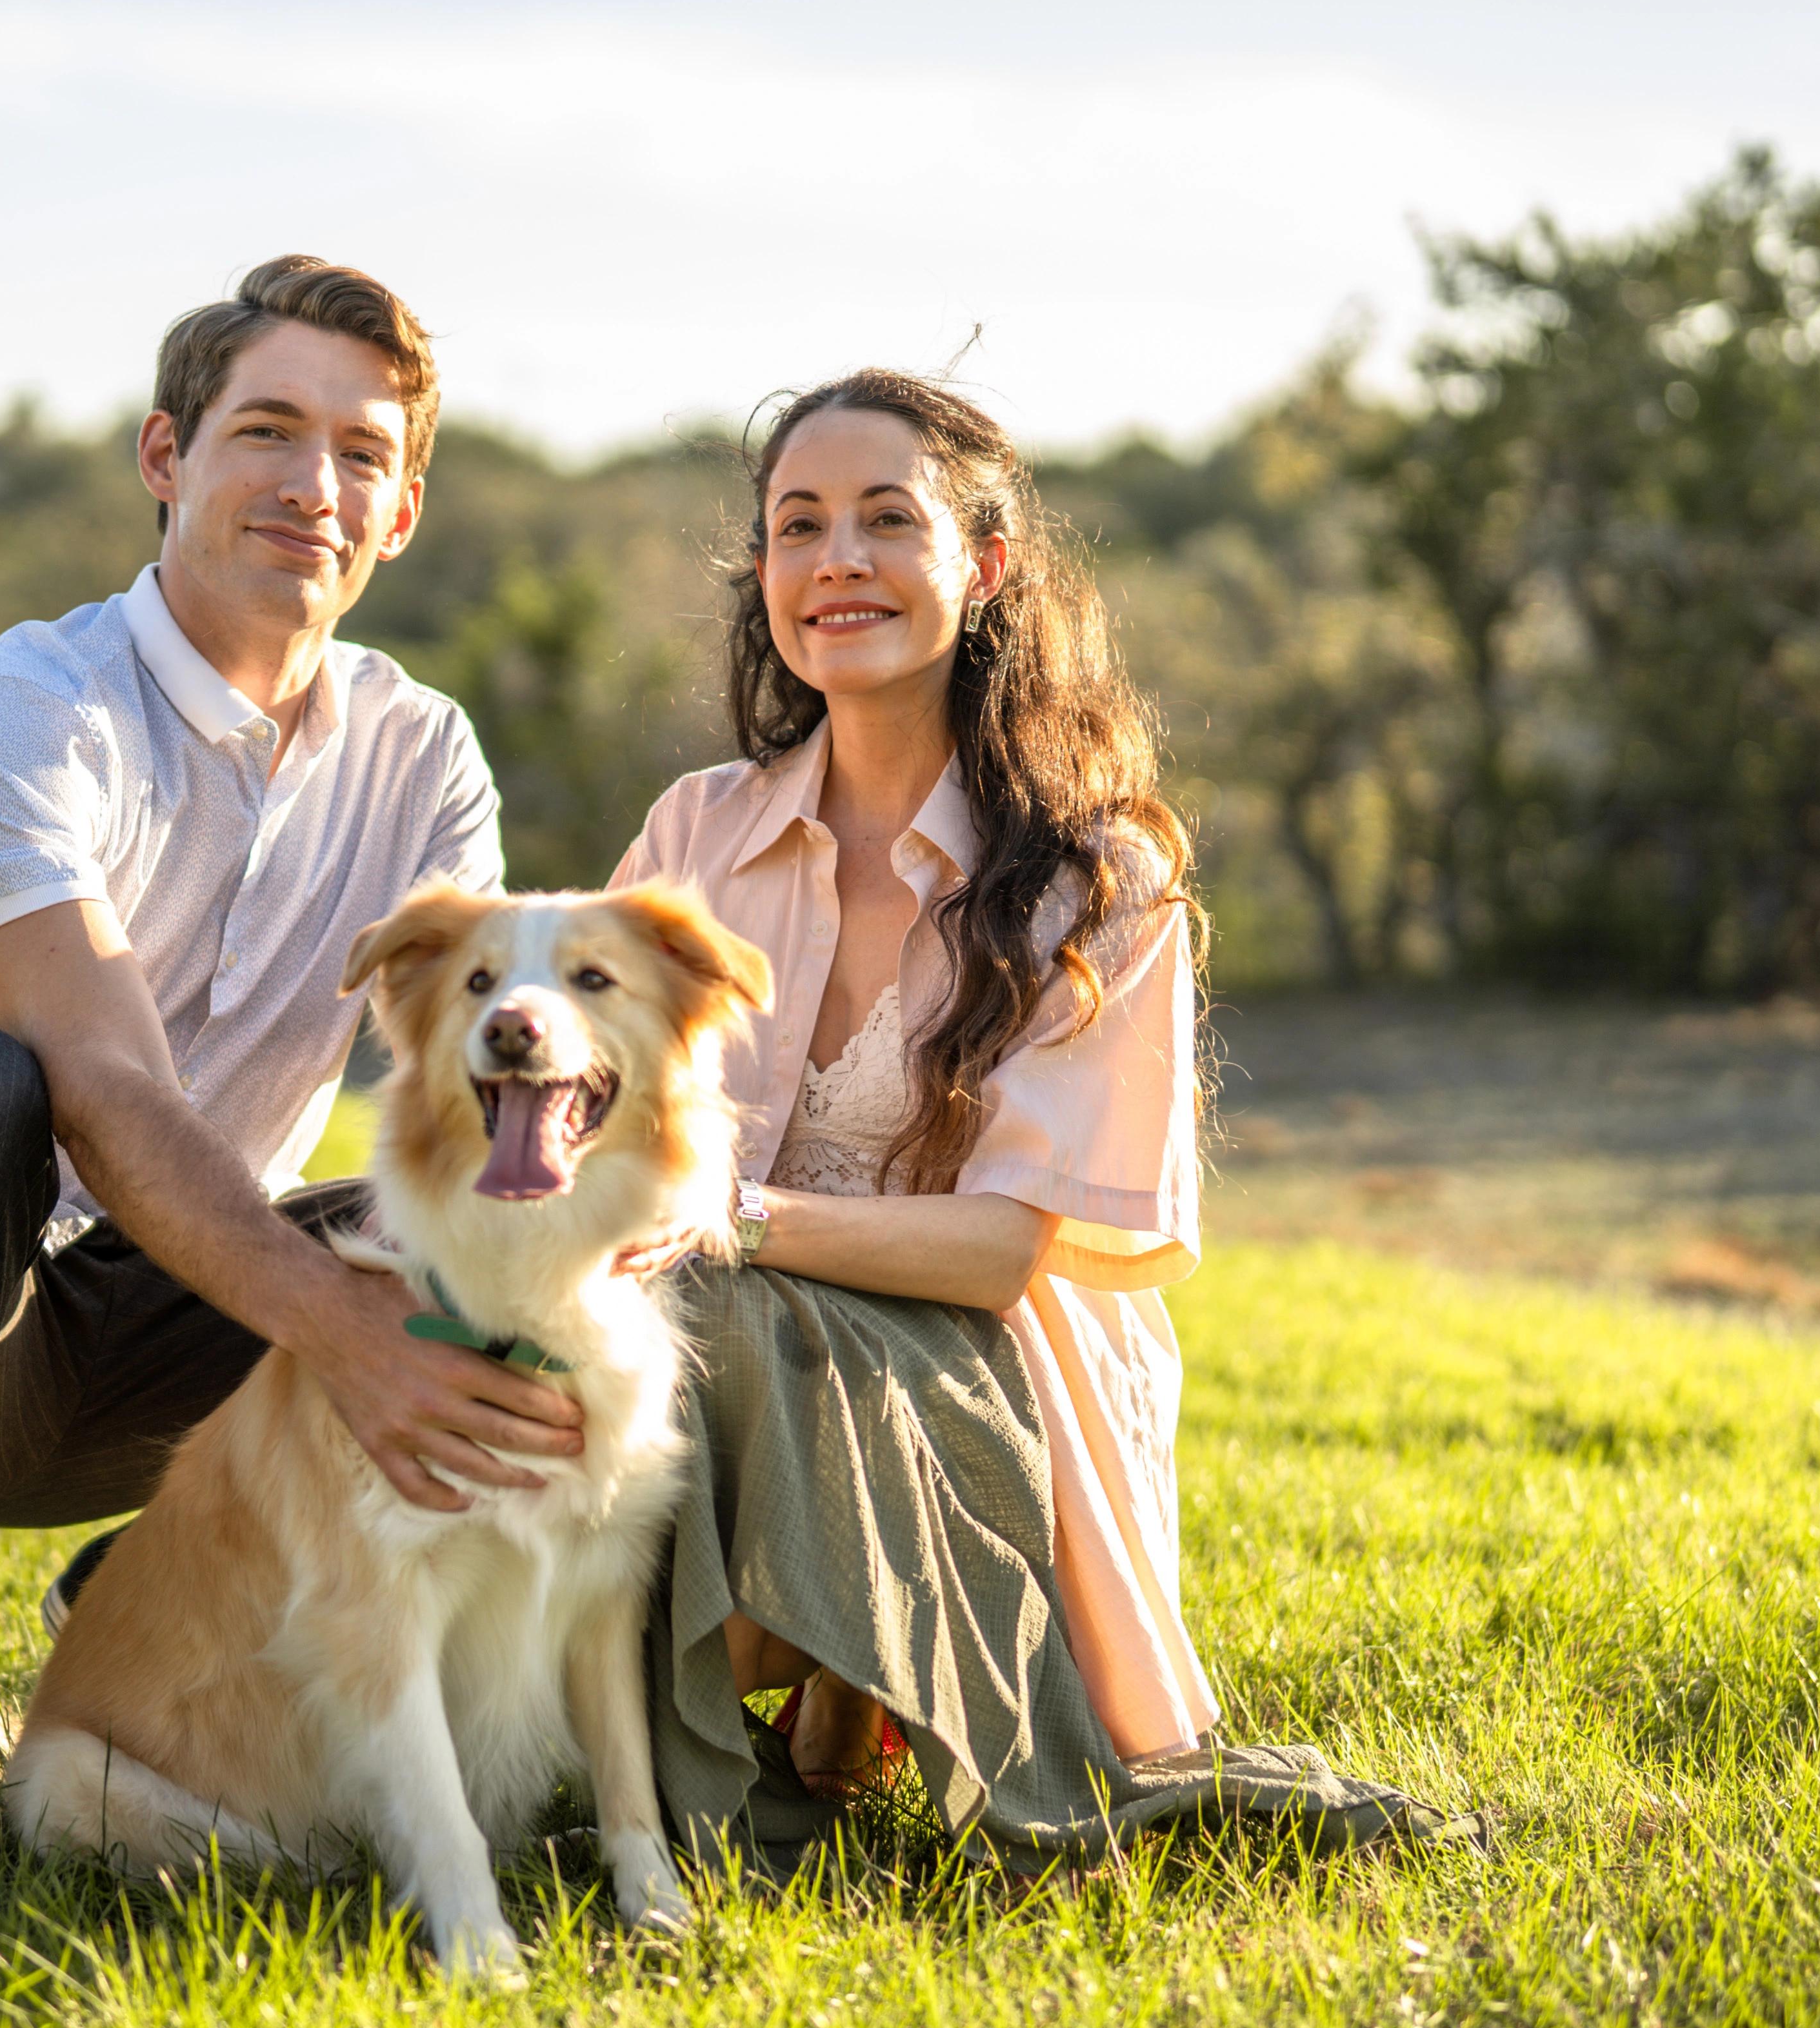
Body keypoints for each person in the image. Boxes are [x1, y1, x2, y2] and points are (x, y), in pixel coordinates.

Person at [0, 257, 583, 1905]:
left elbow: (454, 1095)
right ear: (166, 457)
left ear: (406, 509)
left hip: (150, 1306)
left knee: (482, 1234)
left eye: (364, 454)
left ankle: (176, 1604)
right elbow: (91, 1083)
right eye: (270, 431)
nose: (316, 484)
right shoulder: (22, 710)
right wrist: (342, 1331)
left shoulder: (422, 750)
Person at [615, 370, 1448, 1864]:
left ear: (984, 564)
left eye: (888, 519)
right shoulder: (697, 830)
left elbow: (1003, 1251)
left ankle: (719, 1720)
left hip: (984, 1376)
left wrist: (731, 1219)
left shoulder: (1096, 880)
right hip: (720, 1336)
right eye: (797, 527)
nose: (838, 562)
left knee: (714, 1325)